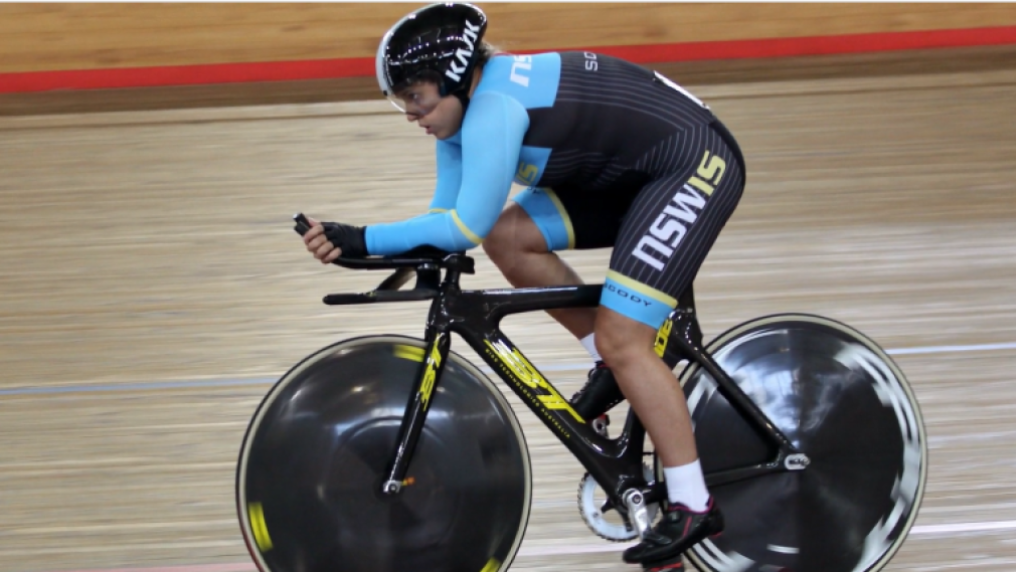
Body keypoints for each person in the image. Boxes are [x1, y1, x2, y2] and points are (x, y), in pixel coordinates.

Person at [300, 3, 743, 570]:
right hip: (631, 173)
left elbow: (461, 226)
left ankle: (692, 502)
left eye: (416, 96)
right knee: (509, 239)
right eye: (401, 100)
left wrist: (362, 237)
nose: (410, 112)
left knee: (626, 337)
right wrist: (359, 251)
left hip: (691, 165)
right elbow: (451, 227)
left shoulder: (494, 109)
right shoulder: (458, 120)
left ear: (455, 76)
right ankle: (611, 371)